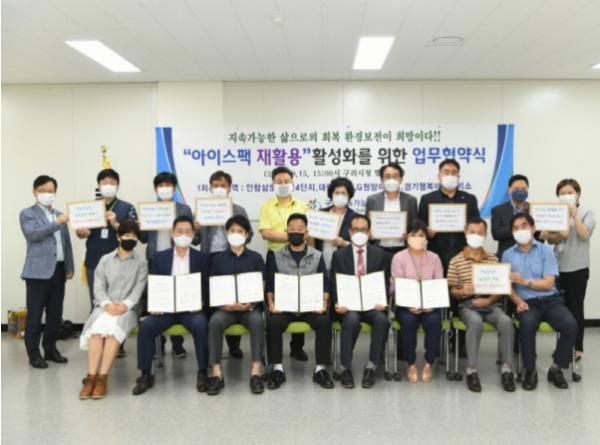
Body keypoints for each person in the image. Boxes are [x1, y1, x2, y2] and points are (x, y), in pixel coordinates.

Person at [132, 216, 211, 395]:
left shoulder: (202, 258)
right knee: (146, 326)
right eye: (179, 231)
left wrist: (201, 303)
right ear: (172, 233)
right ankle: (145, 374)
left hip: (191, 310)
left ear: (193, 234)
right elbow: (154, 285)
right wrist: (155, 305)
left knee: (201, 324)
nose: (183, 235)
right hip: (166, 310)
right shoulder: (160, 257)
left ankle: (202, 372)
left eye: (188, 232)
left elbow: (206, 286)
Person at [502, 213, 577, 390]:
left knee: (570, 325)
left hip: (551, 300)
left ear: (533, 228)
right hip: (527, 302)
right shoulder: (507, 255)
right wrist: (517, 301)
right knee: (527, 325)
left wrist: (525, 282)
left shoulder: (545, 251)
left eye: (524, 225)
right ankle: (530, 370)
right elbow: (506, 286)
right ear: (512, 232)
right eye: (516, 228)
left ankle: (557, 368)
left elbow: (549, 283)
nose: (520, 230)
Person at [79, 219, 147, 399]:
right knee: (96, 332)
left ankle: (102, 378)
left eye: (134, 236)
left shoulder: (141, 262)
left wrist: (125, 305)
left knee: (112, 334)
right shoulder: (105, 259)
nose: (130, 239)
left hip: (128, 309)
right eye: (126, 235)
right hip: (105, 306)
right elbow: (98, 287)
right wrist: (107, 304)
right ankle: (91, 377)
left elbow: (139, 287)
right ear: (118, 237)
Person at [265, 213, 334, 390]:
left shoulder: (317, 255)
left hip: (310, 307)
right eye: (292, 229)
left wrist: (323, 305)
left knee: (324, 321)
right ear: (287, 232)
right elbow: (270, 285)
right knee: (273, 323)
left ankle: (320, 369)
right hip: (285, 307)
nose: (296, 232)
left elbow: (324, 283)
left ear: (306, 232)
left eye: (300, 229)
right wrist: (271, 304)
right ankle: (277, 369)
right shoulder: (276, 255)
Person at [418, 159, 479, 356]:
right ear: (439, 175)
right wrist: (428, 232)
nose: (450, 175)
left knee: (460, 300)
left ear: (459, 176)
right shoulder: (427, 199)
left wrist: (469, 230)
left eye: (453, 172)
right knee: (437, 301)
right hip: (436, 257)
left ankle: (459, 344)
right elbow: (419, 229)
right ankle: (436, 345)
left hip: (463, 258)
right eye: (446, 172)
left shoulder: (469, 199)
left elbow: (477, 227)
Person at [447, 217, 515, 392]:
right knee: (475, 322)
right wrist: (462, 291)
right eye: (472, 232)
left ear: (485, 235)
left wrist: (489, 300)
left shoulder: (493, 259)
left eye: (480, 233)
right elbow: (452, 290)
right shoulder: (456, 260)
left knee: (506, 322)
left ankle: (507, 369)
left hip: (491, 305)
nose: (476, 236)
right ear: (465, 233)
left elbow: (501, 286)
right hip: (468, 305)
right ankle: (471, 370)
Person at [75, 168, 137, 357]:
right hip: (94, 261)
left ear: (118, 185)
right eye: (104, 183)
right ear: (98, 185)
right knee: (98, 302)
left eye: (112, 182)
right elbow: (81, 231)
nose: (108, 185)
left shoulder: (127, 207)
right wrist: (81, 232)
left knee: (118, 302)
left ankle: (117, 343)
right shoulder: (89, 207)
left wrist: (116, 223)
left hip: (120, 261)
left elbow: (133, 233)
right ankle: (98, 342)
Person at [194, 170, 253, 359]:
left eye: (223, 185)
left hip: (232, 257)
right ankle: (212, 349)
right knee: (211, 301)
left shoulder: (239, 210)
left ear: (229, 188)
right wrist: (195, 229)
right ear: (210, 188)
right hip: (208, 258)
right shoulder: (202, 209)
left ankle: (234, 346)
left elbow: (249, 235)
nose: (219, 188)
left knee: (233, 297)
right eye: (216, 185)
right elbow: (195, 239)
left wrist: (237, 236)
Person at [207, 215, 266, 395]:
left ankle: (256, 371)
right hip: (226, 309)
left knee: (257, 322)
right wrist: (223, 306)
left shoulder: (256, 258)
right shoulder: (218, 259)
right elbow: (213, 286)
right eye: (232, 230)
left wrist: (250, 304)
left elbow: (262, 285)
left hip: (249, 309)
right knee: (214, 322)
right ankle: (216, 373)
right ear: (226, 233)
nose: (235, 234)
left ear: (246, 235)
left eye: (240, 231)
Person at [20, 175, 74, 369]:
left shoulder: (60, 214)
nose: (47, 194)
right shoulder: (27, 213)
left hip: (58, 270)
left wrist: (69, 267)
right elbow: (33, 235)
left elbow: (66, 243)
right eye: (42, 190)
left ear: (55, 193)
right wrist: (57, 223)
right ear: (34, 192)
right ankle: (33, 354)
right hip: (37, 273)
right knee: (35, 315)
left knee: (55, 314)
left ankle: (50, 349)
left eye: (50, 191)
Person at [330, 214, 390, 389]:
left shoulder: (380, 254)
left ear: (369, 233)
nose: (359, 233)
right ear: (349, 232)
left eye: (363, 229)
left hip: (373, 305)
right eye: (356, 229)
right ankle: (345, 368)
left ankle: (371, 366)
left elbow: (384, 282)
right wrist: (338, 303)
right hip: (349, 306)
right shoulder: (339, 255)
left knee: (382, 321)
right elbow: (334, 283)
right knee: (351, 321)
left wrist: (383, 302)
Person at [139, 171, 194, 359]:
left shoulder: (183, 209)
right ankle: (158, 344)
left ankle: (177, 345)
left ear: (174, 188)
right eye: (161, 186)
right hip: (155, 259)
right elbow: (143, 238)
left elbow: (192, 237)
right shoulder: (149, 210)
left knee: (178, 300)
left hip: (178, 258)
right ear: (156, 189)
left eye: (168, 185)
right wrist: (142, 225)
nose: (164, 189)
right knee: (158, 302)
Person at [259, 166, 309, 361]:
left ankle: (297, 346)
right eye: (279, 182)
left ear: (293, 182)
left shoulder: (303, 205)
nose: (283, 184)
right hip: (275, 256)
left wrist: (301, 242)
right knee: (275, 299)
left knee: (300, 298)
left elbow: (308, 233)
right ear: (272, 183)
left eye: (286, 181)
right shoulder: (266, 206)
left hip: (300, 255)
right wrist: (293, 236)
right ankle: (274, 352)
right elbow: (265, 233)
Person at [542, 179, 595, 361]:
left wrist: (574, 216)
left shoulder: (587, 212)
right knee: (560, 309)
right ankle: (563, 347)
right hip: (557, 267)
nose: (566, 196)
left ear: (578, 193)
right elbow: (550, 240)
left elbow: (584, 235)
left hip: (577, 268)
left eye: (570, 192)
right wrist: (558, 234)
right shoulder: (555, 212)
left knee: (575, 308)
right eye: (562, 193)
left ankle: (577, 347)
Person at [390, 220, 445, 383]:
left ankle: (428, 363)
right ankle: (411, 363)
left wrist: (431, 304)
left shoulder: (434, 258)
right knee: (408, 321)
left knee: (434, 321)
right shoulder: (399, 257)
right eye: (413, 235)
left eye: (421, 235)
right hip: (406, 306)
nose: (417, 238)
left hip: (430, 305)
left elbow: (439, 284)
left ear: (426, 238)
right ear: (407, 237)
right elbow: (394, 286)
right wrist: (408, 305)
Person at [365, 162, 418, 254]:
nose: (391, 179)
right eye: (388, 176)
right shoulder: (372, 200)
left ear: (401, 179)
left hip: (403, 250)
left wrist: (410, 235)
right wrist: (368, 234)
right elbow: (367, 225)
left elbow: (415, 227)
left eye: (395, 176)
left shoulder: (411, 200)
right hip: (378, 249)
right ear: (382, 179)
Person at [315, 177, 358, 270]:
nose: (340, 196)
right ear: (331, 194)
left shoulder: (355, 218)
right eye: (337, 192)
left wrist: (343, 243)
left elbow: (360, 245)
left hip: (344, 265)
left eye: (343, 193)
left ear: (349, 196)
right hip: (321, 263)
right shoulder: (321, 214)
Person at [491, 174, 532, 260]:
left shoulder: (534, 209)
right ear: (509, 190)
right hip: (507, 257)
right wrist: (517, 228)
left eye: (524, 189)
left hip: (531, 256)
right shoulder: (498, 210)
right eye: (516, 189)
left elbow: (538, 234)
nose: (520, 191)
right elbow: (496, 234)